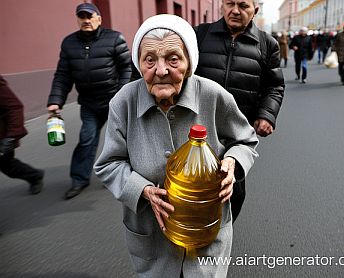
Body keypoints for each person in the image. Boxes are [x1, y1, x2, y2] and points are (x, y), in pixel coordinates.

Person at [94, 14, 259, 277]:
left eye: (173, 59)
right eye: (150, 60)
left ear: (189, 62)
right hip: (152, 235)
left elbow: (245, 139)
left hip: (206, 230)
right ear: (139, 63)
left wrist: (232, 162)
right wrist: (144, 190)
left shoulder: (213, 95)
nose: (160, 70)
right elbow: (108, 164)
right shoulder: (123, 102)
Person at [194, 0, 284, 221]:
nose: (235, 10)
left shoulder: (267, 44)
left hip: (237, 135)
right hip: (196, 129)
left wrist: (266, 114)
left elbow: (274, 85)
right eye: (229, 3)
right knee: (192, 187)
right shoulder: (200, 35)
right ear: (222, 5)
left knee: (233, 193)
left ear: (255, 9)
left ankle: (220, 236)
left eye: (243, 5)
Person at [47, 3, 131, 199]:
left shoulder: (114, 38)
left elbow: (127, 68)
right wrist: (55, 101)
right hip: (89, 104)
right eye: (82, 17)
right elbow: (62, 75)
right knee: (87, 138)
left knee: (123, 139)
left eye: (90, 16)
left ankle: (124, 175)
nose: (86, 20)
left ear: (99, 19)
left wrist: (121, 95)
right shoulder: (69, 43)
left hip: (114, 101)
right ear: (77, 19)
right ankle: (79, 179)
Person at [0, 75, 44, 194]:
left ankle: (34, 176)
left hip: (2, 138)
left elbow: (14, 107)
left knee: (8, 167)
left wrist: (11, 136)